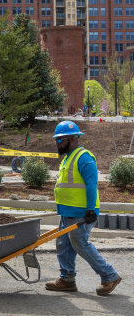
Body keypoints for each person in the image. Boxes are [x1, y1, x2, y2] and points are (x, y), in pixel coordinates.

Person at [46, 121, 121, 295]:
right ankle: (67, 279)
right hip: (67, 211)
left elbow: (91, 184)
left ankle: (109, 275)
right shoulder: (68, 157)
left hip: (81, 212)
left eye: (60, 140)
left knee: (80, 244)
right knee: (63, 244)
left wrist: (90, 210)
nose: (57, 143)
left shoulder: (84, 157)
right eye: (56, 140)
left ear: (72, 139)